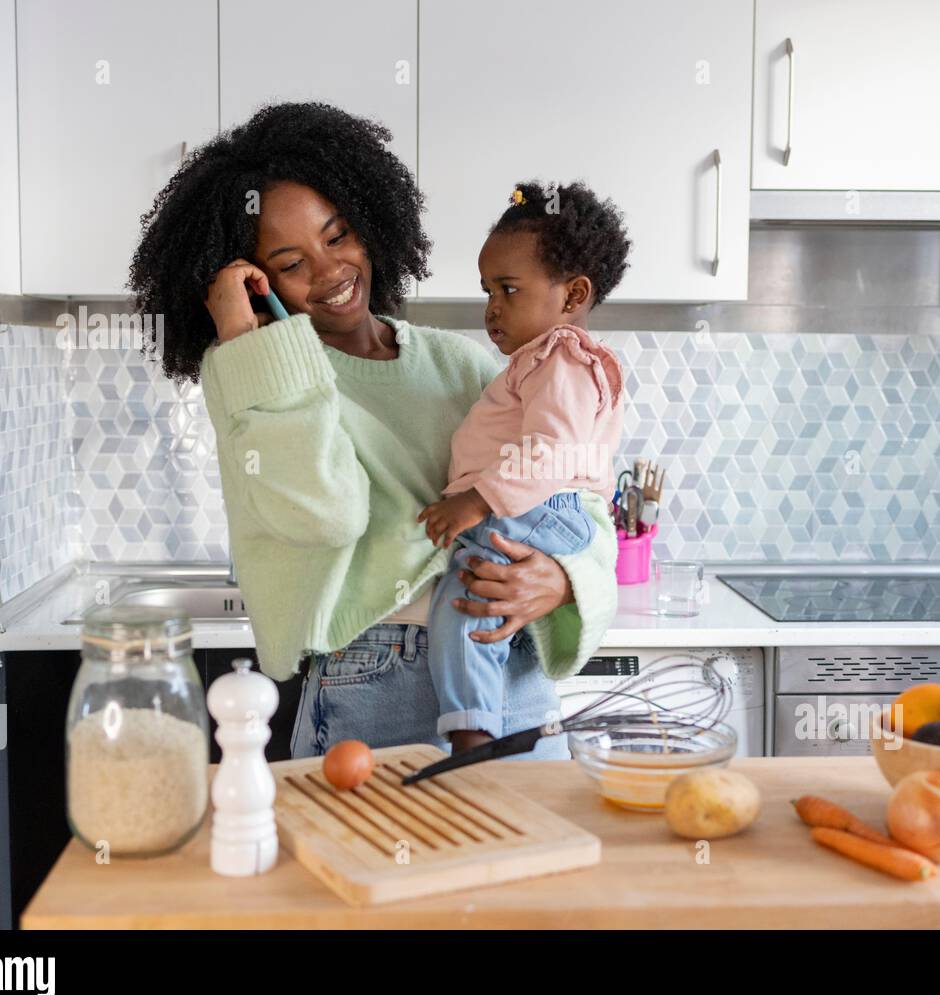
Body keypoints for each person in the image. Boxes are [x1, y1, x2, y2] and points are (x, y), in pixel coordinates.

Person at [128, 103, 619, 760]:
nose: (330, 271)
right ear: (257, 282)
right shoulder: (256, 376)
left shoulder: (468, 364)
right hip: (378, 676)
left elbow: (585, 504)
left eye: (337, 237)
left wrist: (561, 580)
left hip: (513, 665)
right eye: (291, 262)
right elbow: (324, 516)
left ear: (371, 220)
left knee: (533, 863)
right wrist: (246, 338)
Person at [417, 181, 629, 753]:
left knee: (468, 595)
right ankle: (474, 724)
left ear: (572, 294)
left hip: (541, 509)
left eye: (509, 289)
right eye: (487, 289)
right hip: (537, 510)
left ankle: (472, 734)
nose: (492, 308)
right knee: (471, 588)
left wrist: (476, 499)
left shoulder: (563, 355)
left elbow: (551, 451)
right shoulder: (539, 361)